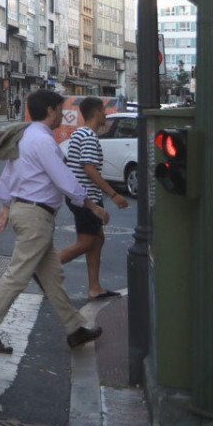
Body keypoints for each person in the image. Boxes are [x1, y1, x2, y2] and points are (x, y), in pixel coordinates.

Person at [0, 89, 108, 355]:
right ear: (50, 111)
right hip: (35, 215)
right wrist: (91, 205)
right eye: (59, 108)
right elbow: (65, 179)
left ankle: (75, 329)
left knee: (52, 276)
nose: (61, 114)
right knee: (18, 274)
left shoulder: (27, 136)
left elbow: (10, 175)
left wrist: (5, 206)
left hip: (30, 212)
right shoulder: (43, 141)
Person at [58, 97, 129, 299]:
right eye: (104, 111)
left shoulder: (80, 134)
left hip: (80, 196)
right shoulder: (88, 136)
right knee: (87, 242)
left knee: (97, 239)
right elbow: (89, 169)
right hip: (86, 196)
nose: (106, 115)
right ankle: (45, 268)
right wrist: (114, 195)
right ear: (97, 112)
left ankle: (95, 287)